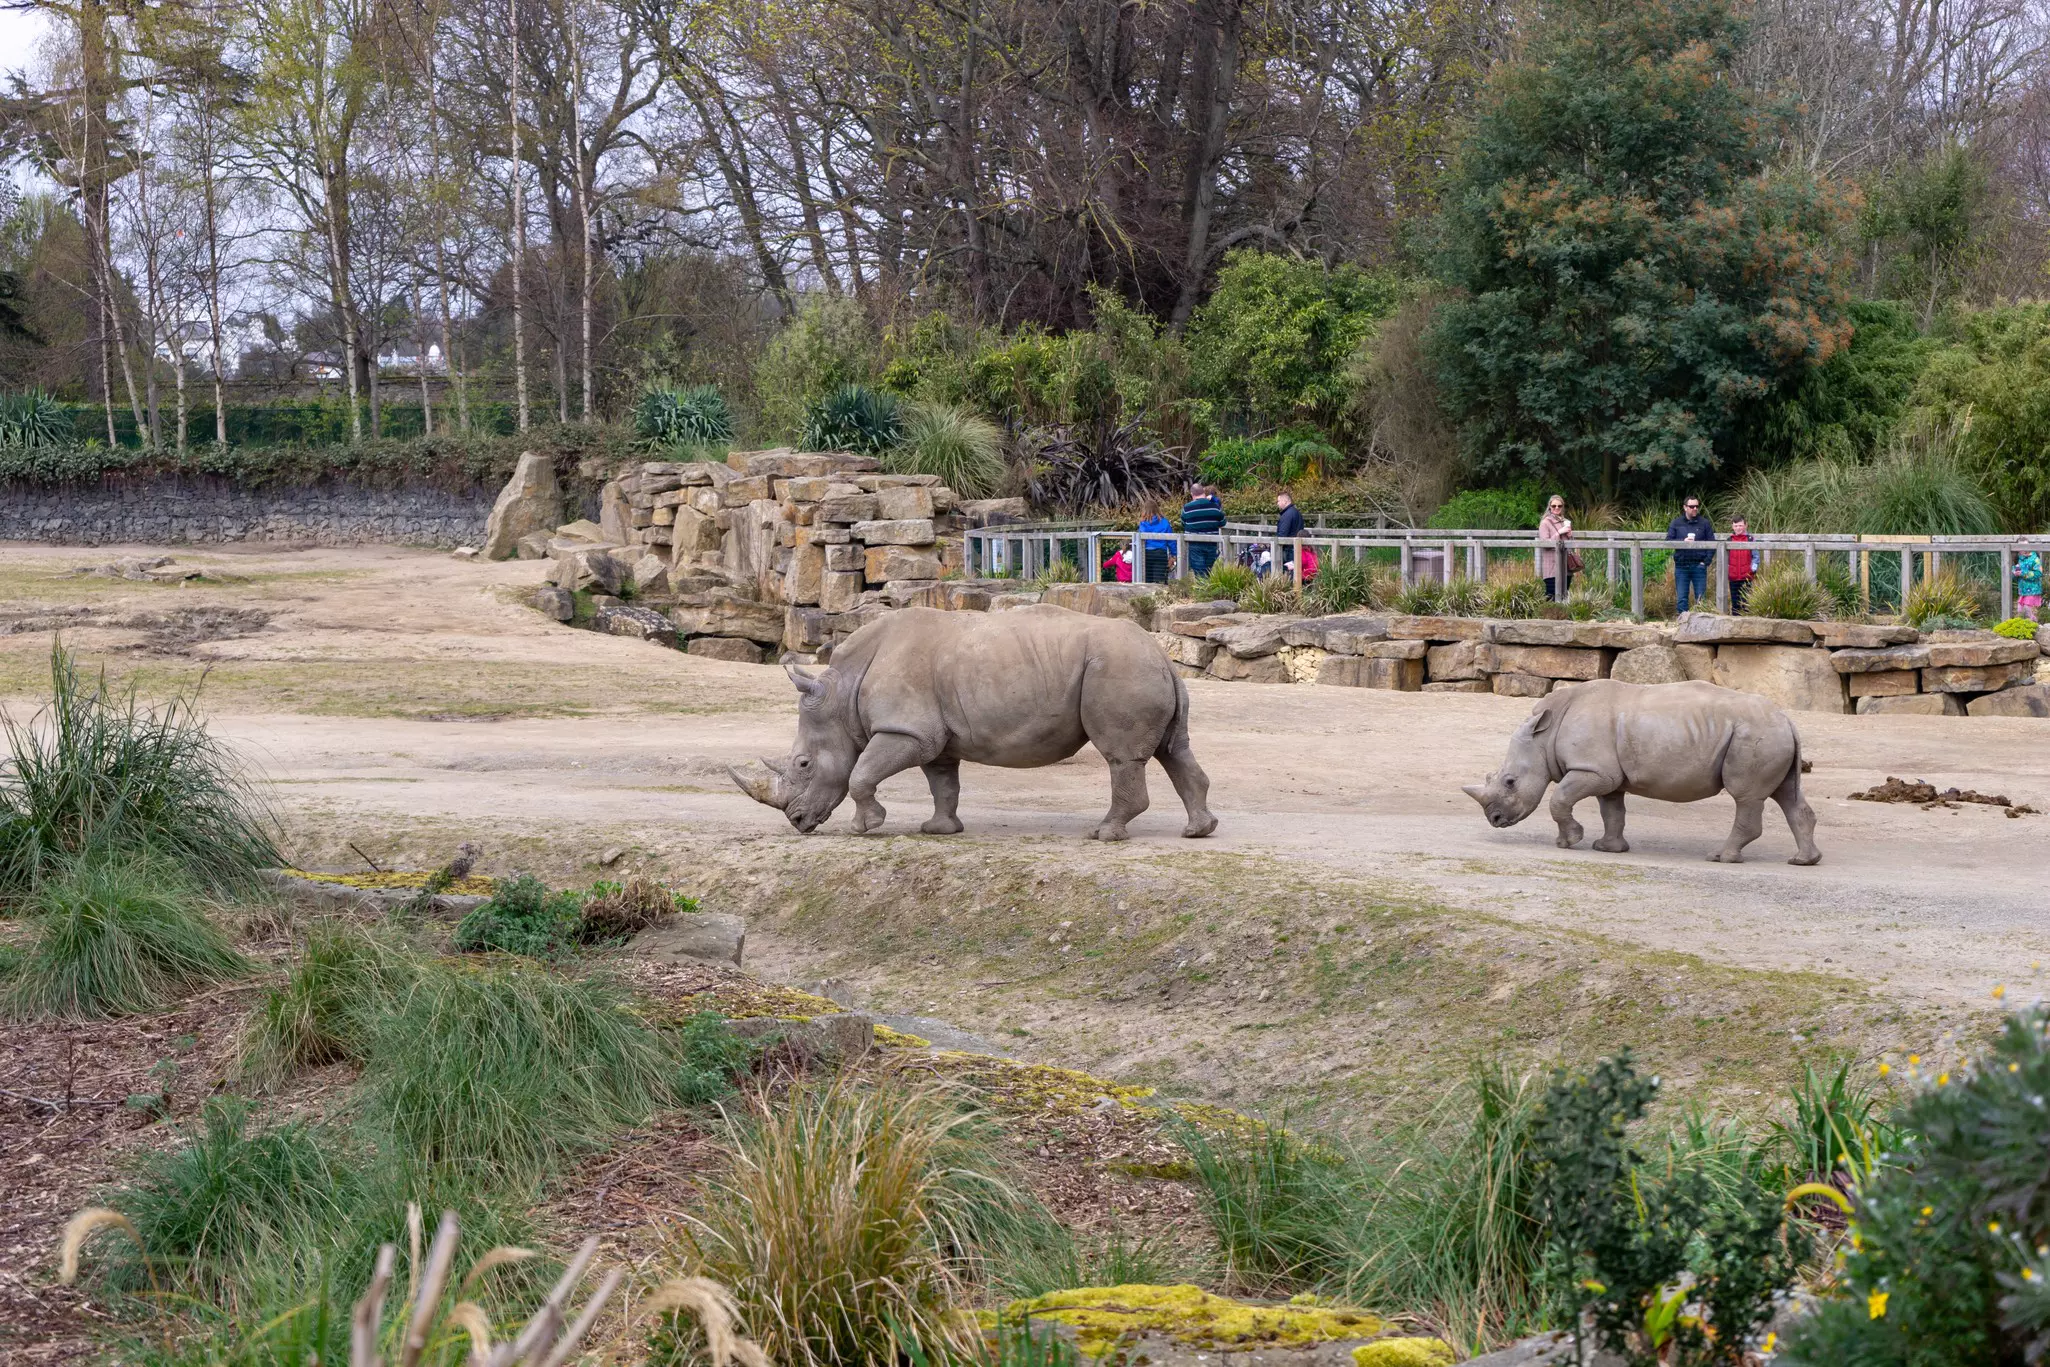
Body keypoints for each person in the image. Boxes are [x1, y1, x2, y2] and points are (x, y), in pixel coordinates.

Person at [1666, 495, 1717, 614]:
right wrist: (1682, 542)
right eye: (1691, 506)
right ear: (1685, 507)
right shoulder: (1676, 523)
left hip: (1699, 565)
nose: (1694, 509)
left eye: (1696, 506)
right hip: (1681, 565)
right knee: (1682, 598)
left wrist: (1705, 561)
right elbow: (1668, 541)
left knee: (1700, 598)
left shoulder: (1704, 523)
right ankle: (1682, 624)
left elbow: (1712, 543)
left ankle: (1700, 625)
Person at [1180, 482, 1226, 577]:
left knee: (1200, 573)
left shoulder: (1187, 508)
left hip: (1194, 544)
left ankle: (1202, 589)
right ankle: (1206, 589)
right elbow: (1223, 522)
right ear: (1204, 492)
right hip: (1212, 543)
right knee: (1208, 571)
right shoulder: (1215, 507)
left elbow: (1183, 523)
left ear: (1192, 494)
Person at [1538, 495, 1573, 601]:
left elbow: (1570, 543)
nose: (1556, 508)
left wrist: (1570, 535)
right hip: (1551, 565)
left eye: (1559, 506)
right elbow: (1545, 543)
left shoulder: (1565, 522)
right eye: (1554, 506)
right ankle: (1547, 616)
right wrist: (1559, 532)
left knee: (1563, 595)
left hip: (1566, 565)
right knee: (1551, 595)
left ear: (1562, 507)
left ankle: (1560, 616)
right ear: (1549, 507)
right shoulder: (1545, 523)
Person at [1137, 497, 1174, 583]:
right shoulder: (1165, 522)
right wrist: (1173, 555)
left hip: (1146, 553)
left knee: (1146, 580)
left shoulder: (1143, 523)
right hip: (1160, 553)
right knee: (1159, 581)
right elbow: (1171, 540)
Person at [1727, 517, 1756, 615]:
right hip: (1733, 577)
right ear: (1732, 527)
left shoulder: (1750, 539)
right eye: (1736, 526)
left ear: (1745, 525)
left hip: (1746, 577)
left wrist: (1752, 569)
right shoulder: (1729, 540)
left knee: (1746, 603)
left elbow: (1756, 557)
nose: (1738, 528)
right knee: (1735, 604)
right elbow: (1725, 558)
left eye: (1740, 525)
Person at [1275, 490, 1305, 579]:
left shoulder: (1287, 515)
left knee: (1288, 573)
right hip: (1296, 547)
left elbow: (1282, 534)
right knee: (1294, 571)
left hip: (1288, 549)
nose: (1277, 503)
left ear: (1285, 501)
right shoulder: (1297, 513)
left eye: (1279, 501)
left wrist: (1275, 546)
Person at [2016, 541, 2044, 622]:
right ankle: (2025, 629)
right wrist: (2015, 572)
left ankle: (2034, 627)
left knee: (2028, 610)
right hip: (2023, 590)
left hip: (2032, 590)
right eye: (2021, 546)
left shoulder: (2035, 559)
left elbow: (2039, 573)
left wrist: (2023, 573)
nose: (2024, 549)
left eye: (2026, 546)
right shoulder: (2019, 559)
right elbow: (2016, 569)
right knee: (2020, 610)